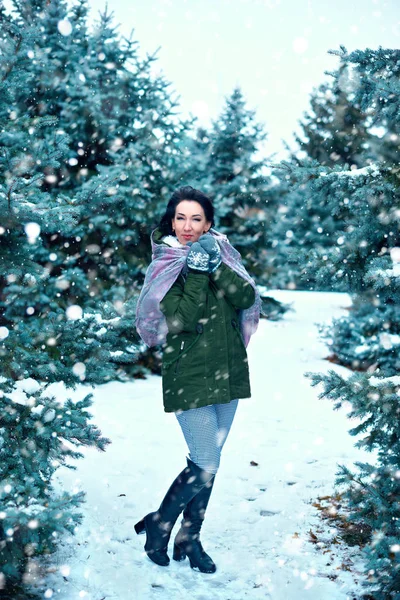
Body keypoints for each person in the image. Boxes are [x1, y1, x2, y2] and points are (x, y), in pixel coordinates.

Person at [134, 185, 261, 573]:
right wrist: (196, 272)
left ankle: (190, 538)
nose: (187, 227)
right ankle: (160, 523)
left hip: (228, 372)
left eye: (196, 219)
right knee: (205, 462)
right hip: (188, 375)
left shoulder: (221, 252)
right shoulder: (166, 264)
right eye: (180, 217)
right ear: (171, 221)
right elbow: (181, 320)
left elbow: (244, 298)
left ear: (208, 224)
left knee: (209, 463)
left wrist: (216, 265)